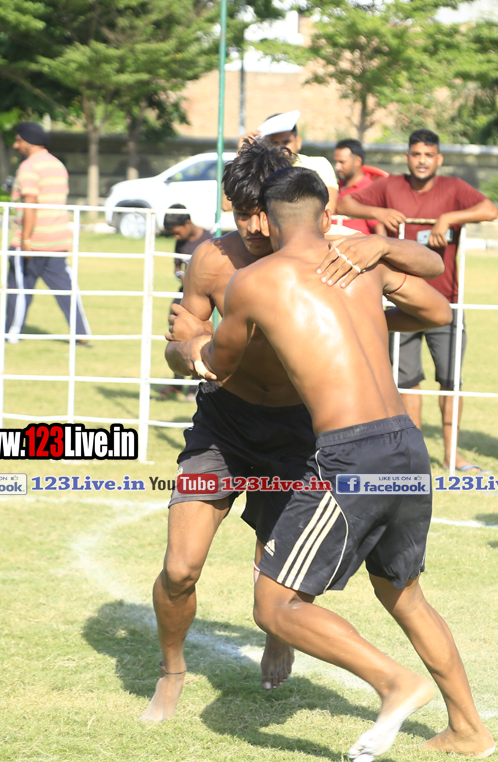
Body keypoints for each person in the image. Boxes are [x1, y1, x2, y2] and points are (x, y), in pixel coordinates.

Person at [194, 165, 494, 762]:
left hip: (351, 453)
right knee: (404, 596)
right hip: (407, 445)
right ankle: (469, 729)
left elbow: (217, 364)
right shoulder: (359, 261)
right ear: (328, 215)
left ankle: (393, 683)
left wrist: (185, 345)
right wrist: (381, 252)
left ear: (267, 222)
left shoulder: (253, 280)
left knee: (274, 605)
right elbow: (438, 305)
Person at [141, 140, 445, 723]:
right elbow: (180, 348)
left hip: (300, 431)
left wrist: (375, 284)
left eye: (262, 212)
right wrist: (188, 351)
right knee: (180, 568)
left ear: (283, 206)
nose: (255, 227)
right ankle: (171, 670)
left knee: (276, 571)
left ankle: (279, 635)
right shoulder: (211, 260)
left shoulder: (332, 254)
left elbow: (429, 285)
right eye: (242, 214)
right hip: (224, 426)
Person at [338, 128, 498, 473]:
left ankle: (452, 455)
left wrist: (451, 217)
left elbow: (490, 209)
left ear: (438, 159)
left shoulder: (454, 188)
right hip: (401, 301)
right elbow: (344, 204)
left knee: (451, 381)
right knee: (406, 379)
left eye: (428, 155)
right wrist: (378, 213)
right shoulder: (390, 186)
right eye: (416, 154)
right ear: (407, 157)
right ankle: (417, 454)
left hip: (447, 300)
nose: (422, 161)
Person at [5, 122, 90, 344]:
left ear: (28, 142)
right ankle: (81, 333)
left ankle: (10, 333)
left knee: (19, 289)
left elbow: (30, 202)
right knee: (65, 289)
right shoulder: (57, 165)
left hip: (32, 240)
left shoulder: (29, 166)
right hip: (57, 238)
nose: (16, 145)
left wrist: (26, 238)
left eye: (18, 140)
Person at [158, 206, 213, 400]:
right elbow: (177, 267)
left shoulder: (210, 240)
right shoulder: (180, 242)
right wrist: (183, 276)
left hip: (205, 297)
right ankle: (177, 383)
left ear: (187, 223)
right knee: (177, 332)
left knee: (199, 335)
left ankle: (193, 387)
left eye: (177, 232)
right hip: (185, 292)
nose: (175, 236)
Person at [258, 110, 339, 214]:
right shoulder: (258, 169)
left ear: (298, 142)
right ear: (264, 144)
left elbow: (329, 207)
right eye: (274, 143)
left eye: (286, 142)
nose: (281, 148)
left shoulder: (319, 165)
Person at [332, 139, 388, 235]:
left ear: (357, 161)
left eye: (342, 162)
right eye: (336, 162)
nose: (337, 167)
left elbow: (380, 229)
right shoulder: (336, 186)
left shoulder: (370, 189)